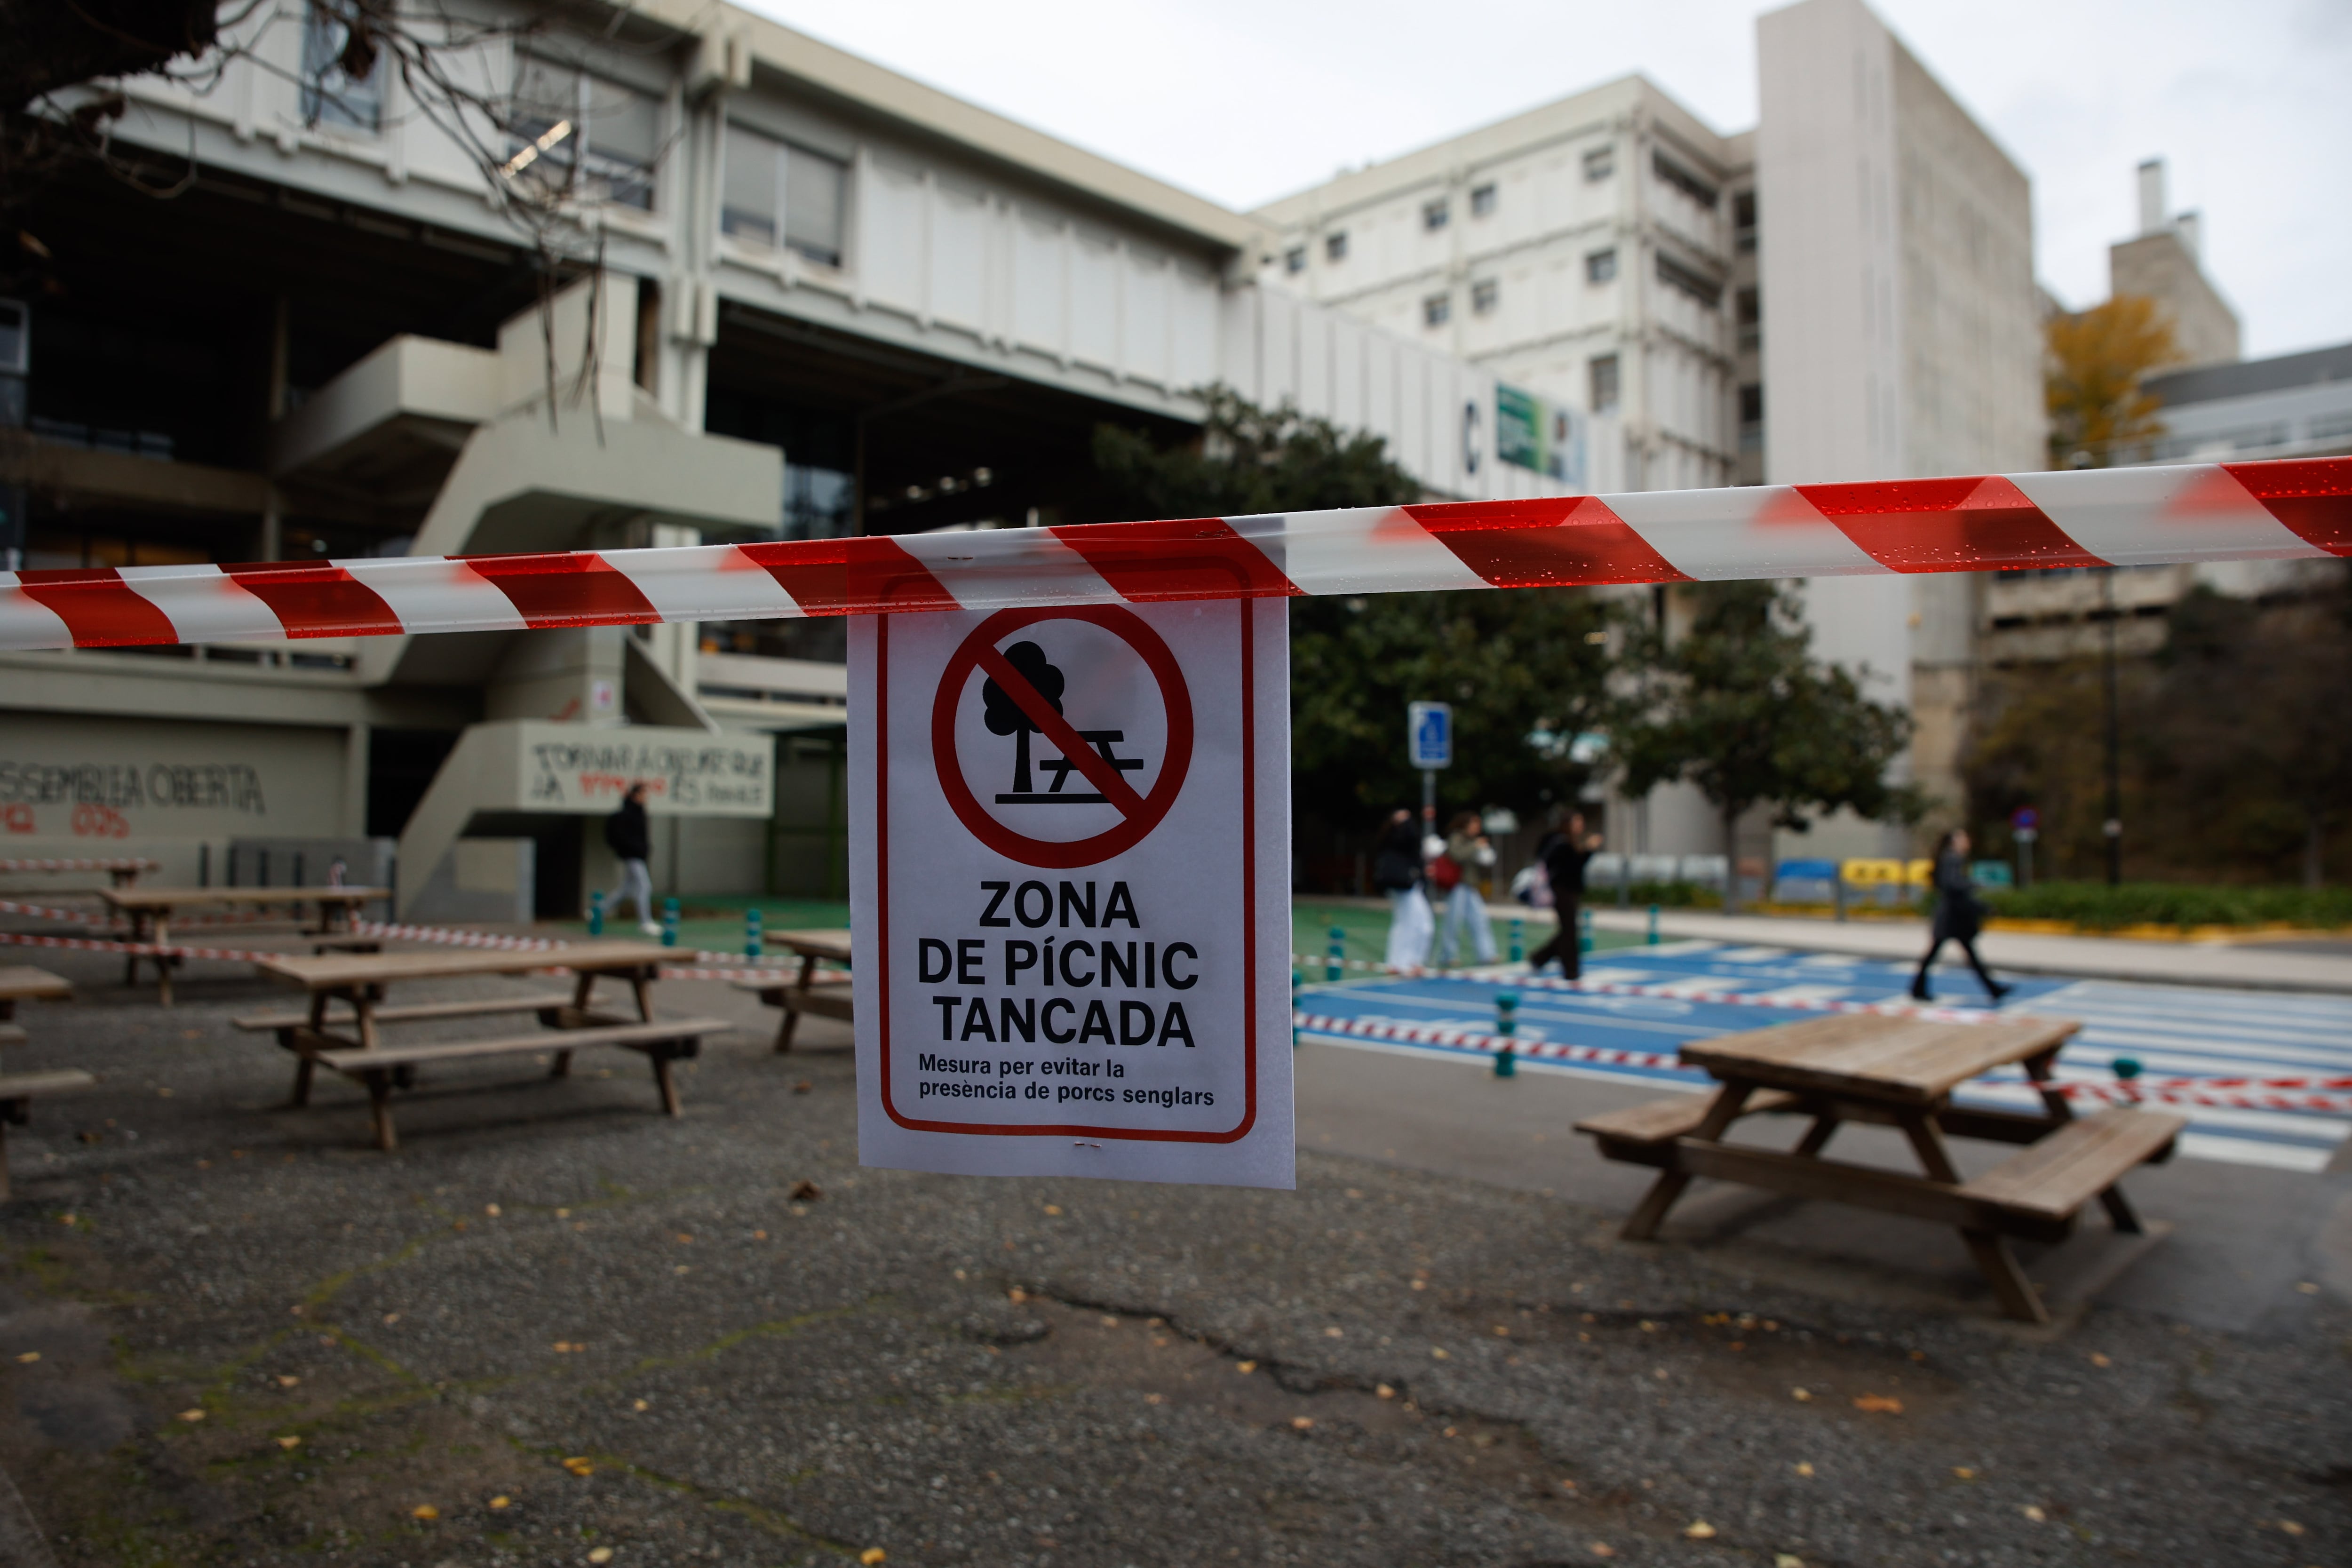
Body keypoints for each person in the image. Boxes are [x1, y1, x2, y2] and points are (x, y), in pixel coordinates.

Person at [1911, 828, 2010, 1003]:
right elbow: (1952, 886)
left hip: (1953, 916)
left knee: (1959, 954)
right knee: (1944, 954)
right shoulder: (1953, 859)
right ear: (1955, 842)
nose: (1967, 841)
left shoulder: (1950, 859)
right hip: (1952, 917)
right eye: (1964, 838)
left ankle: (1993, 989)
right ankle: (1917, 988)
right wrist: (1973, 887)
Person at [1526, 812, 1601, 979]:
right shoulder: (1562, 842)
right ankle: (1570, 970)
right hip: (1562, 890)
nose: (1581, 827)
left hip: (1564, 890)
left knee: (1568, 930)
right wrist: (1589, 850)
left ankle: (1540, 959)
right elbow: (1573, 866)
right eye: (1577, 822)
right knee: (1570, 931)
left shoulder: (1559, 841)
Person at [1432, 811, 1498, 967]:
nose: (1477, 827)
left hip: (1470, 885)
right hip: (1457, 886)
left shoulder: (1472, 840)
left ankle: (1487, 954)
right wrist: (1474, 847)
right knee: (1453, 922)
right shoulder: (1457, 838)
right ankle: (1447, 956)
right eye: (1475, 824)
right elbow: (1457, 856)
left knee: (1480, 920)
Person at [1372, 808, 1434, 972]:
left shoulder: (1404, 840)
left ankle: (1410, 962)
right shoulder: (1392, 837)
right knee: (1409, 924)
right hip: (1403, 885)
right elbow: (1409, 837)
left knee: (1420, 924)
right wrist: (1403, 822)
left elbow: (1414, 841)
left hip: (1412, 885)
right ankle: (1402, 963)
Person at [604, 782, 661, 935]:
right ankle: (645, 922)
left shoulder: (640, 812)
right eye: (643, 794)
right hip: (632, 856)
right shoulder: (627, 814)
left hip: (638, 855)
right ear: (635, 795)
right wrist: (635, 849)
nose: (646, 798)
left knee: (626, 889)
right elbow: (624, 837)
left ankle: (599, 910)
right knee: (644, 887)